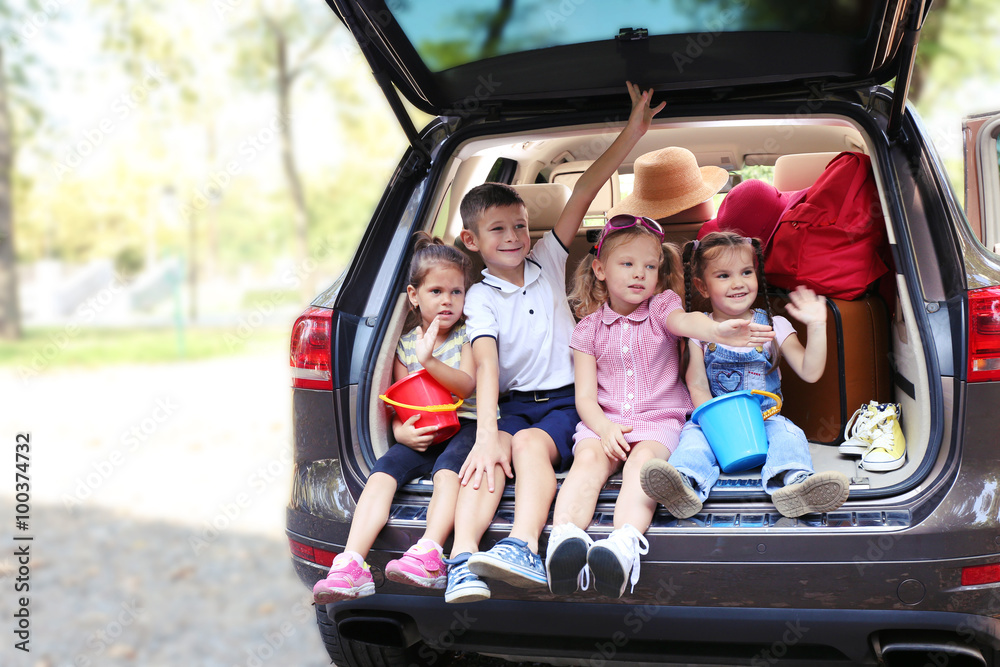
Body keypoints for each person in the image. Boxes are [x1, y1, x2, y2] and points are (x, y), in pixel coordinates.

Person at [441, 83, 666, 604]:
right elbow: (487, 366)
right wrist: (485, 431)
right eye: (498, 229)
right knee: (491, 450)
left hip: (567, 401)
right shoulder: (478, 296)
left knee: (522, 446)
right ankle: (462, 559)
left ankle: (521, 546)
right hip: (514, 405)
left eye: (520, 225)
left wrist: (630, 134)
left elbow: (585, 190)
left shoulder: (546, 259)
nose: (514, 237)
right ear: (471, 241)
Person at [545, 218, 776, 599]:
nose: (640, 275)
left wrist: (716, 331)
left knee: (644, 467)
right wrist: (603, 429)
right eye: (628, 264)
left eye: (650, 267)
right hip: (606, 421)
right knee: (587, 461)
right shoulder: (586, 330)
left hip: (658, 420)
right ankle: (565, 541)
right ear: (600, 269)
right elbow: (585, 397)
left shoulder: (661, 307)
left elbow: (685, 322)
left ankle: (622, 545)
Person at [312, 233, 478, 604]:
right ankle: (351, 564)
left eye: (457, 292)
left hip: (466, 424)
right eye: (436, 291)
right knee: (383, 472)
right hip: (422, 430)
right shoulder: (404, 344)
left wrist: (430, 359)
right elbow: (406, 399)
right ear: (414, 295)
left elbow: (466, 386)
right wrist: (401, 431)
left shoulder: (469, 335)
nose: (448, 300)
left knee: (448, 471)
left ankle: (430, 554)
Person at [640, 231, 850, 519]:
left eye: (746, 272)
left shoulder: (772, 325)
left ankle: (795, 485)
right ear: (702, 286)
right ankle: (683, 485)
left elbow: (810, 371)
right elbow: (697, 385)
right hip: (714, 424)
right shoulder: (700, 331)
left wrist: (816, 325)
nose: (738, 283)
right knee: (692, 439)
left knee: (790, 434)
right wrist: (718, 425)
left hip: (765, 421)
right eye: (724, 276)